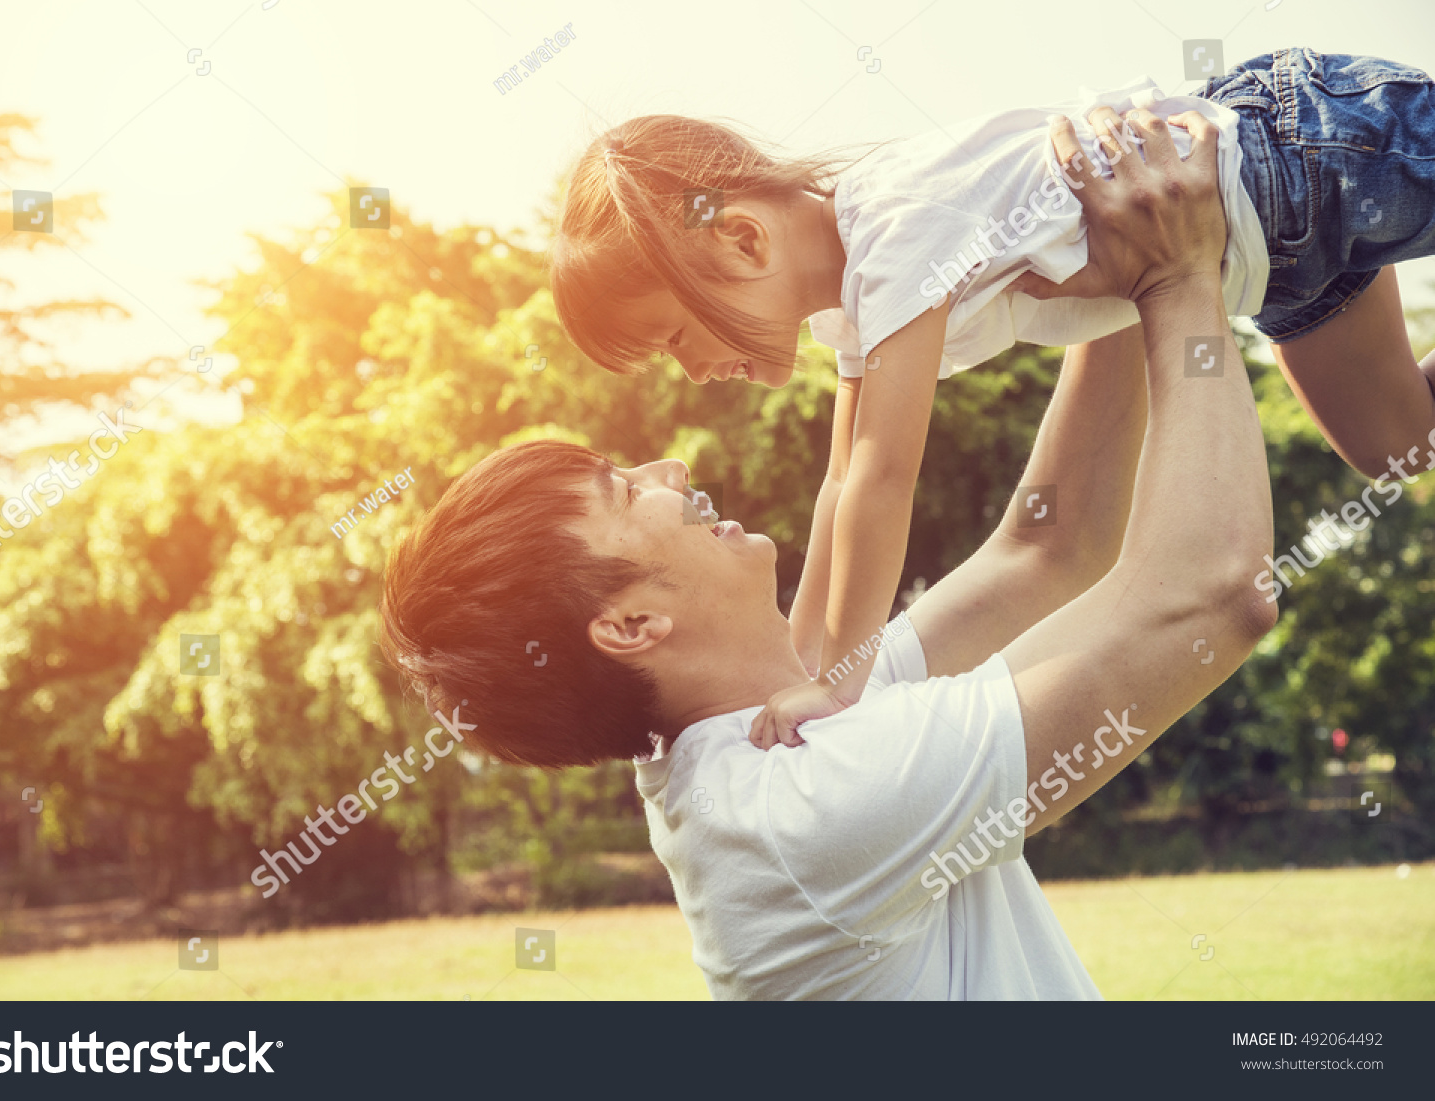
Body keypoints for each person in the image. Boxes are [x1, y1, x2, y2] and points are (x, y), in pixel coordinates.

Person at [380, 106, 1278, 998]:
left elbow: (1052, 545)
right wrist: (1180, 278)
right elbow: (1212, 593)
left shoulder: (777, 720)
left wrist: (1110, 264)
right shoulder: (802, 809)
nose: (670, 465)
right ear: (628, 624)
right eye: (624, 489)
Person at [547, 48, 1435, 748]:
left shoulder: (893, 236)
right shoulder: (855, 308)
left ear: (744, 242)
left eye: (676, 340)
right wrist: (798, 661)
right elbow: (836, 492)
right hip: (1268, 261)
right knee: (1398, 443)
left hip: (1295, 157)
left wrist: (841, 681)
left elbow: (882, 478)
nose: (693, 372)